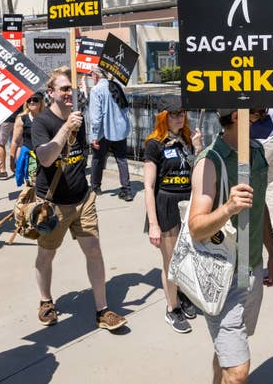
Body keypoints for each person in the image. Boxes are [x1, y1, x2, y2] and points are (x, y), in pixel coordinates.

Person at [189, 108, 273, 384]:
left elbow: (260, 205)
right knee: (239, 372)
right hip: (222, 277)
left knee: (227, 354)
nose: (264, 116)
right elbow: (195, 226)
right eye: (258, 112)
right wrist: (228, 207)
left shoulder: (256, 152)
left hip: (252, 271)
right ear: (239, 116)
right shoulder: (209, 161)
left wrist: (272, 253)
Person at [31, 67, 127, 330]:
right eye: (63, 88)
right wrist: (65, 129)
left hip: (82, 199)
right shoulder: (41, 122)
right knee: (46, 255)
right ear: (51, 93)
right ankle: (45, 301)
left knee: (94, 251)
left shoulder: (80, 119)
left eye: (70, 88)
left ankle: (103, 310)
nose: (69, 92)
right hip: (52, 205)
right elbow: (46, 158)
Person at [143, 94, 202, 333]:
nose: (180, 118)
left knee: (188, 256)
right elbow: (148, 186)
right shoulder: (154, 144)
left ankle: (183, 296)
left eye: (182, 113)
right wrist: (154, 224)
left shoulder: (188, 139)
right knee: (171, 261)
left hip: (187, 202)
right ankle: (172, 308)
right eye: (174, 114)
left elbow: (198, 172)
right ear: (164, 117)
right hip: (165, 203)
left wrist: (198, 149)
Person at [88, 67, 133, 201]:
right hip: (120, 130)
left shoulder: (96, 90)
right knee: (121, 159)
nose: (92, 78)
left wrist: (94, 136)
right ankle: (127, 189)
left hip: (103, 132)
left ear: (96, 75)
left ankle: (95, 187)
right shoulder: (117, 86)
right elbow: (125, 108)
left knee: (97, 159)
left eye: (91, 75)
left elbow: (96, 117)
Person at [249, 108, 273, 235]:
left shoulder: (261, 95)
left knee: (252, 183)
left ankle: (254, 222)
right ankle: (272, 225)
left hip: (260, 142)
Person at [10, 92, 45, 186]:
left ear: (41, 102)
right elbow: (15, 141)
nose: (32, 102)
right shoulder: (22, 119)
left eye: (35, 100)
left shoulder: (47, 117)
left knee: (45, 183)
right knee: (33, 185)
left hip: (45, 155)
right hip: (30, 157)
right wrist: (12, 160)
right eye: (29, 100)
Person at [0, 109, 19, 180]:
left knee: (0, 144)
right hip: (15, 115)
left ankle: (2, 171)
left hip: (5, 117)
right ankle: (17, 168)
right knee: (16, 142)